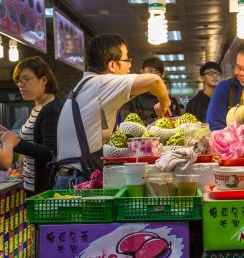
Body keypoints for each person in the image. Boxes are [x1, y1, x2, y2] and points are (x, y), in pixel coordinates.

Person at [54, 33, 171, 189]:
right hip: (77, 180)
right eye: (126, 59)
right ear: (112, 66)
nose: (130, 65)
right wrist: (163, 105)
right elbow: (155, 81)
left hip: (70, 177)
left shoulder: (87, 86)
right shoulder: (100, 83)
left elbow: (102, 135)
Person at [0, 56, 63, 195]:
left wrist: (16, 142)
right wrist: (11, 136)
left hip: (45, 188)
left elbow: (51, 152)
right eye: (19, 81)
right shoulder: (38, 107)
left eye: (26, 79)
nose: (21, 85)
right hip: (31, 184)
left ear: (44, 80)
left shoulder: (51, 109)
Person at [117, 57, 165, 126]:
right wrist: (154, 120)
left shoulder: (162, 97)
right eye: (150, 71)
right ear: (142, 71)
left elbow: (167, 119)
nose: (154, 75)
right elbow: (126, 122)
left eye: (157, 72)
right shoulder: (130, 94)